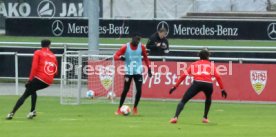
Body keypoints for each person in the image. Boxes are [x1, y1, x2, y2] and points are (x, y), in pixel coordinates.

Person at [169, 49, 227, 124]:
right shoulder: (211, 65)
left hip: (197, 83)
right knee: (208, 98)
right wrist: (222, 89)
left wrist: (175, 86)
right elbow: (218, 77)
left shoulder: (194, 64)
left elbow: (183, 76)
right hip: (208, 84)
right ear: (208, 57)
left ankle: (175, 117)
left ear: (199, 56)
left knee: (184, 100)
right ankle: (205, 118)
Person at [6, 39, 58, 120]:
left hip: (39, 78)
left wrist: (30, 80)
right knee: (32, 90)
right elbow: (55, 71)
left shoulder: (38, 52)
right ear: (49, 45)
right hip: (49, 81)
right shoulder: (53, 55)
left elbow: (34, 67)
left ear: (41, 45)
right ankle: (32, 111)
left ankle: (11, 113)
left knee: (25, 94)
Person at [114, 33, 152, 115]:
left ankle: (135, 108)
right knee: (125, 90)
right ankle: (119, 109)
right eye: (136, 40)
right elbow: (115, 56)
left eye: (139, 40)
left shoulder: (141, 47)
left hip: (138, 71)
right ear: (132, 39)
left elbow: (145, 57)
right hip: (128, 72)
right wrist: (120, 57)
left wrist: (149, 68)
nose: (138, 42)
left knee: (139, 90)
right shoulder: (125, 47)